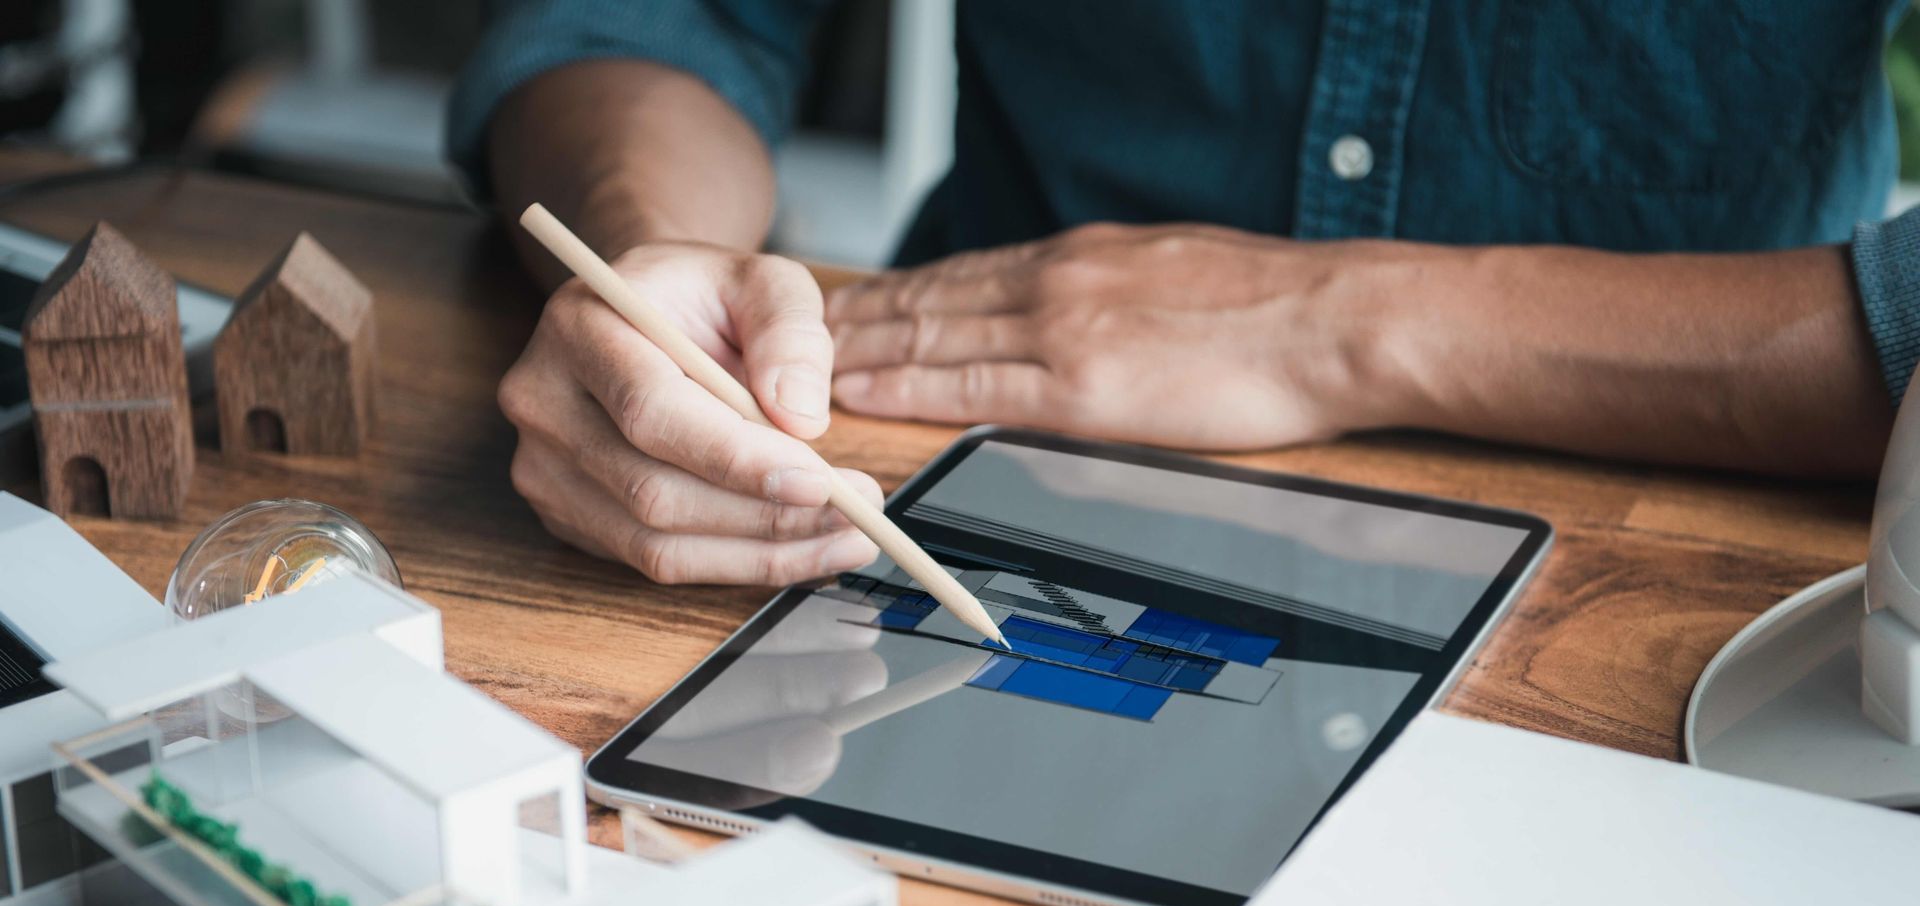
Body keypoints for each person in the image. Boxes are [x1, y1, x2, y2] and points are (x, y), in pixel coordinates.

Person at [449, 1, 1920, 587]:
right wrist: (652, 246)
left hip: (1700, 542)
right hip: (936, 434)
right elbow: (654, 18)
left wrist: (1343, 324)